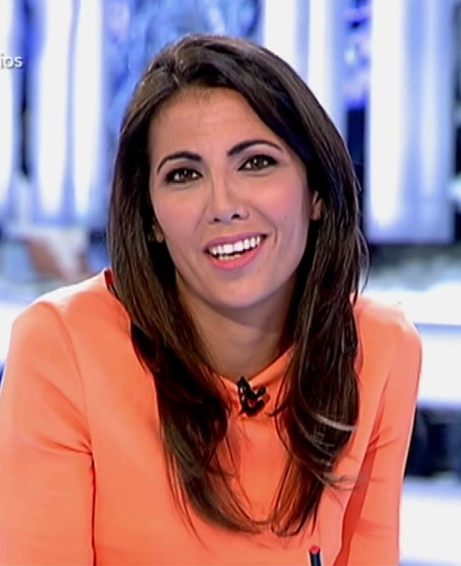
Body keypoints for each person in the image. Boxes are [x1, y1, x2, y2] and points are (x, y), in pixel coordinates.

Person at [0, 33, 422, 566]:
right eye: (184, 175)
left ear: (316, 192)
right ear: (151, 219)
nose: (223, 205)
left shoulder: (378, 349)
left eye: (255, 163)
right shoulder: (63, 348)